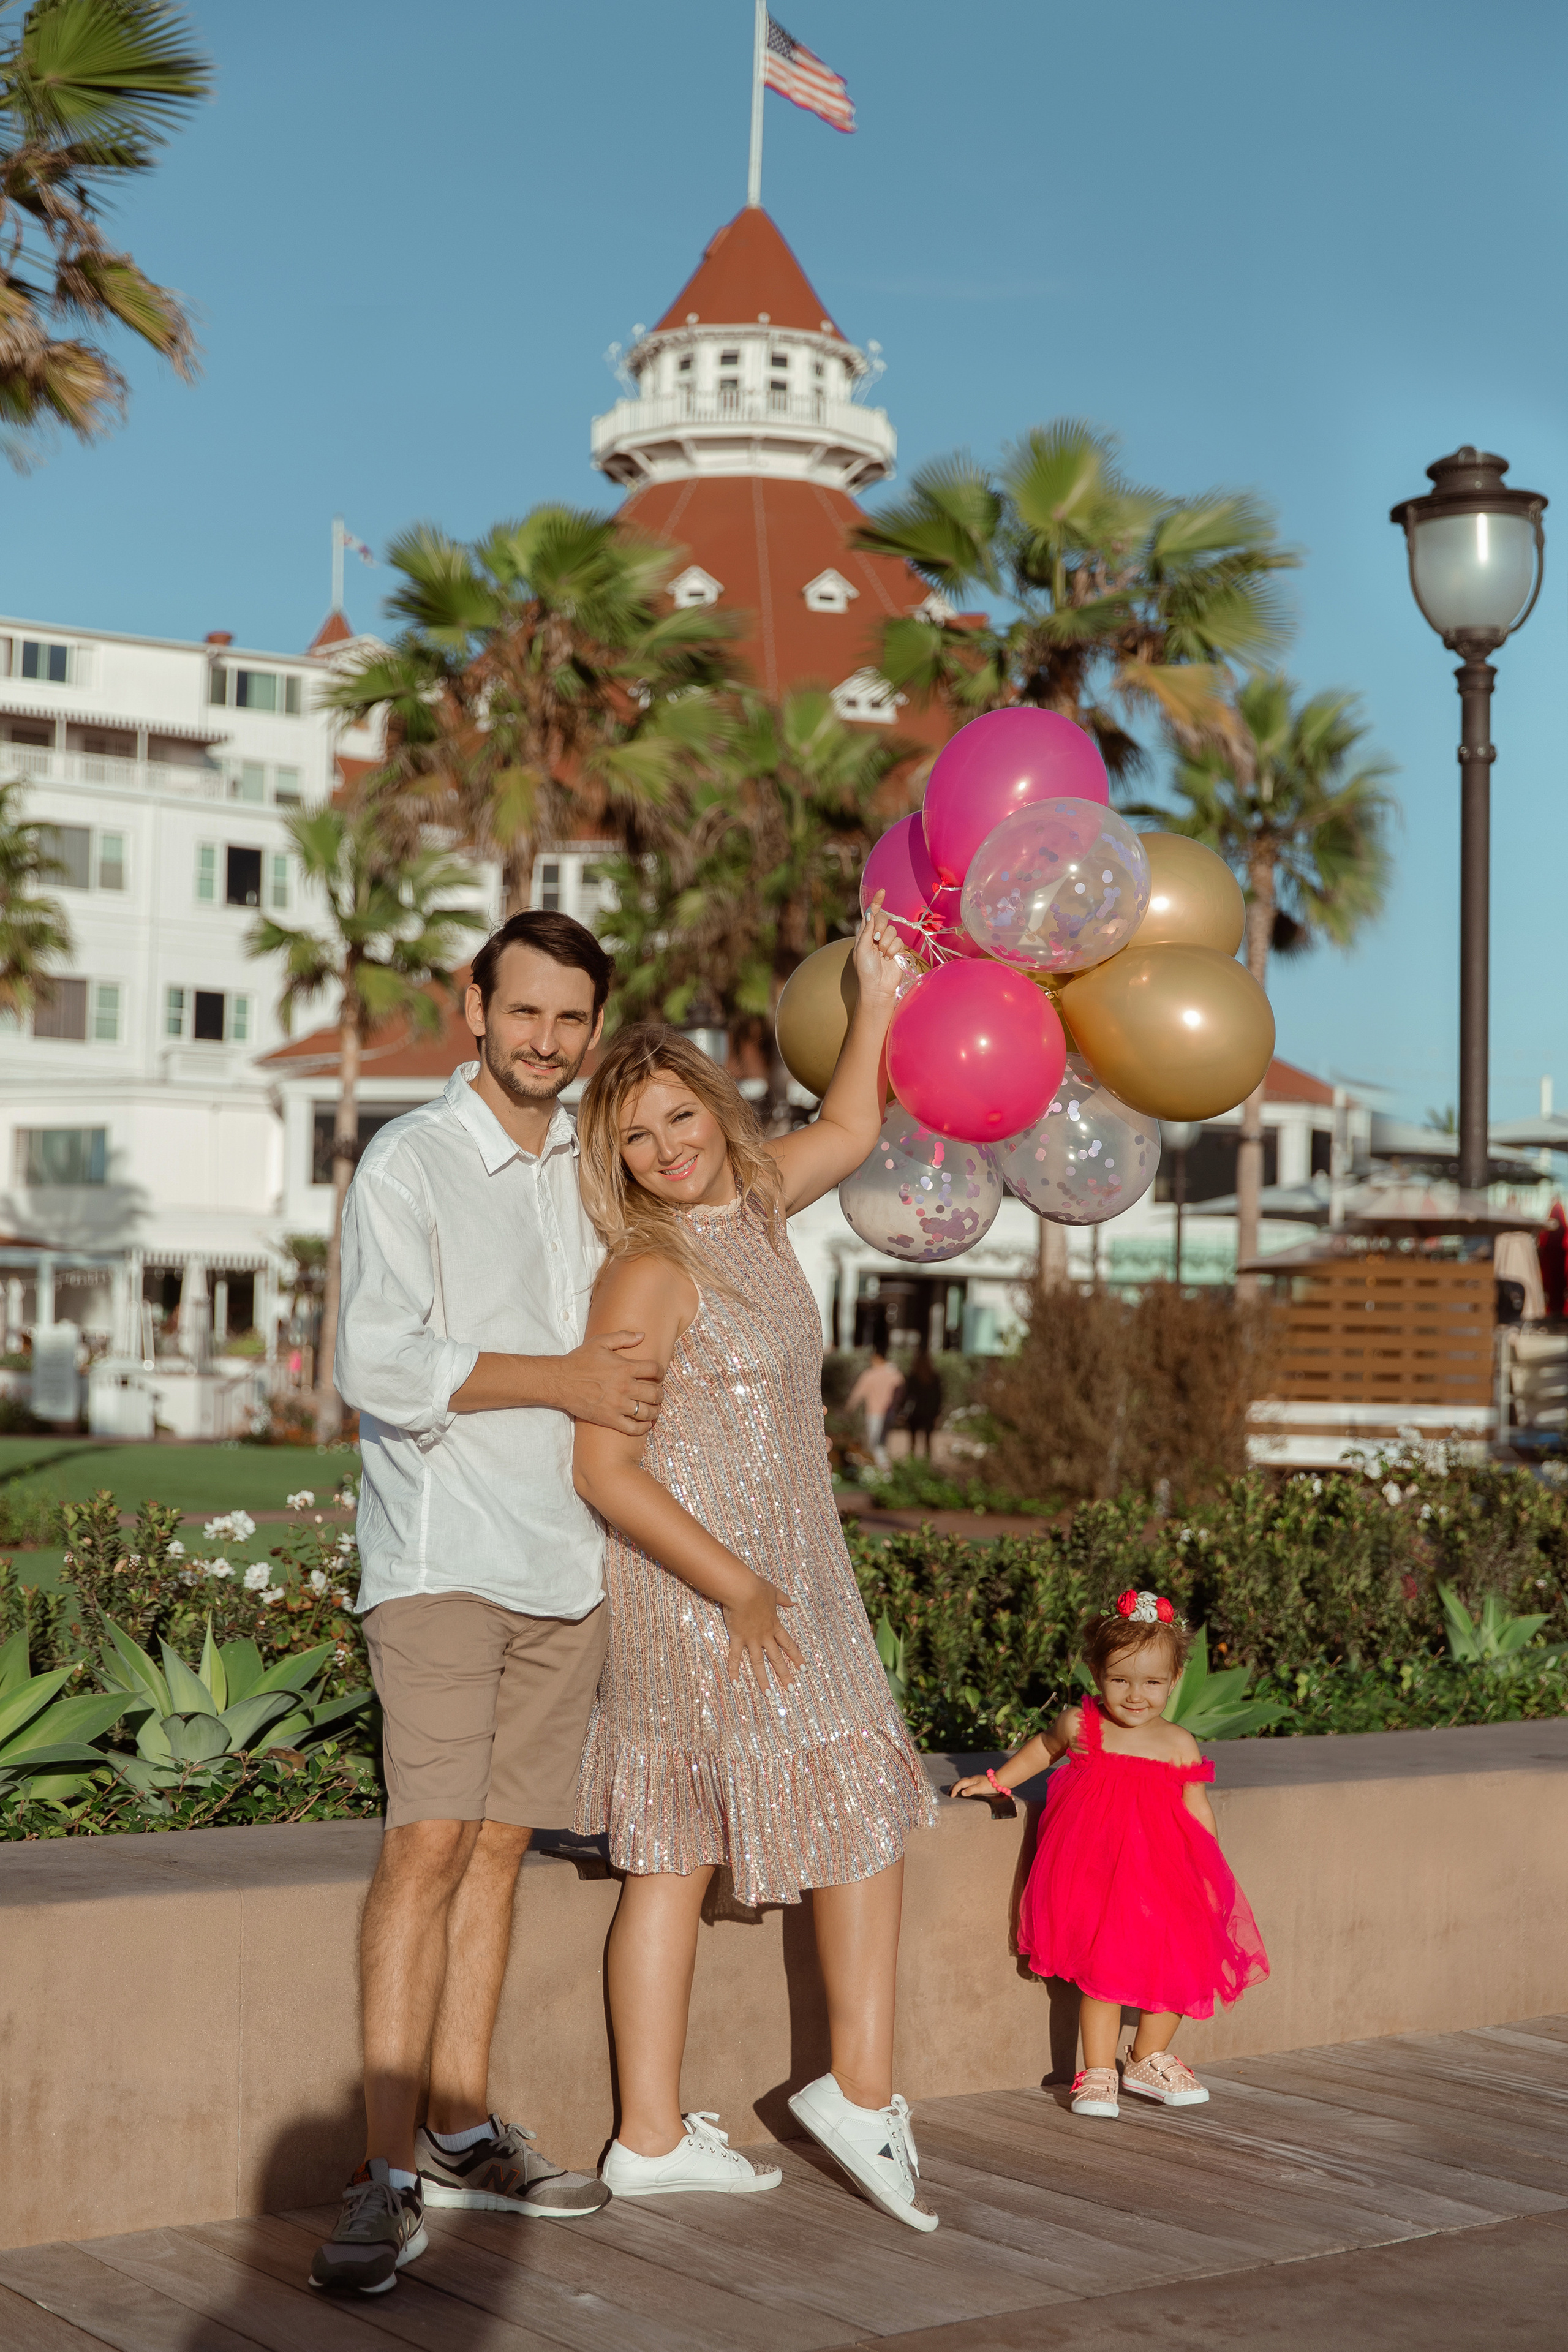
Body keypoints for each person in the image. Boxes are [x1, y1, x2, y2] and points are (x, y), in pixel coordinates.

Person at [570, 904, 941, 2233]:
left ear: (716, 1115)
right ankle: (709, 2123)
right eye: (634, 1138)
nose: (664, 1152)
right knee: (688, 1848)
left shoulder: (758, 1203)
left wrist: (881, 987)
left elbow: (847, 1128)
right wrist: (733, 1587)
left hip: (795, 1573)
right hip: (702, 1593)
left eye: (678, 1120)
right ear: (612, 1163)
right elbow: (604, 1472)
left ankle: (737, 2117)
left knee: (849, 1806)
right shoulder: (644, 1271)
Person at [310, 911, 665, 2296]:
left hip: (563, 1568)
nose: (545, 1040)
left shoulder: (587, 1175)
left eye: (570, 1020)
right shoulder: (410, 1161)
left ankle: (459, 2123)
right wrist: (562, 1378)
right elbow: (378, 1361)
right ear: (473, 1005)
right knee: (427, 1847)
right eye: (524, 1011)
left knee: (501, 1847)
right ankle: (382, 2169)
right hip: (439, 1558)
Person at [951, 1589, 1268, 2120]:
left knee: (1185, 1958)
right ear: (1096, 1673)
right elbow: (1041, 1751)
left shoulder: (1178, 1743)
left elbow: (1197, 1809)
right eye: (1120, 1680)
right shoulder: (1083, 1727)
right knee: (1105, 1968)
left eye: (1152, 1683)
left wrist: (1209, 1871)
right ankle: (1096, 2070)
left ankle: (1147, 2056)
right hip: (1098, 1875)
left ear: (1175, 1680)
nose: (1136, 1695)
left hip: (1166, 1875)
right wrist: (997, 1782)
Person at [846, 1340, 904, 1469]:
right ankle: (885, 1468)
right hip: (890, 1413)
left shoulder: (869, 1375)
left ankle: (884, 1471)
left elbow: (858, 1393)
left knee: (876, 1442)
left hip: (875, 1412)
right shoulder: (894, 1374)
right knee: (884, 1442)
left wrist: (849, 1408)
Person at [902, 1346, 945, 1460]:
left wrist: (903, 1411)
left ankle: (912, 1462)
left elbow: (908, 1397)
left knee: (912, 1441)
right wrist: (937, 1413)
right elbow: (939, 1397)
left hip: (916, 1412)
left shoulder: (913, 1377)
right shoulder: (934, 1378)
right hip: (929, 1412)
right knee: (928, 1440)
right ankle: (927, 1462)